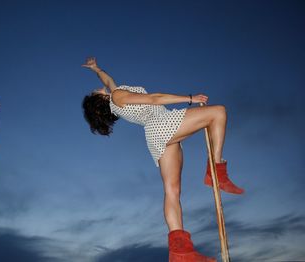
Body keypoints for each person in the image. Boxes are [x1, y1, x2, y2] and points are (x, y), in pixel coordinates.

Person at [81, 57, 243, 262]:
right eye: (94, 92)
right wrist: (190, 98)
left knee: (172, 192)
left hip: (156, 135)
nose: (97, 88)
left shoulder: (116, 96)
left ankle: (181, 253)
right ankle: (216, 172)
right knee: (218, 112)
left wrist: (96, 68)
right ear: (100, 100)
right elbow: (155, 99)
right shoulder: (118, 96)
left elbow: (107, 79)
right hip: (162, 124)